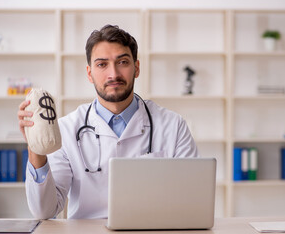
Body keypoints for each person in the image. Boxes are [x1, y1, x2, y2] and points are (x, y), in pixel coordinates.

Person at [18, 25, 198, 219]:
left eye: (122, 62)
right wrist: (35, 149)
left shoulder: (173, 126)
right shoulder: (67, 129)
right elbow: (44, 211)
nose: (113, 74)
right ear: (89, 73)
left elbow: (193, 200)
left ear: (136, 68)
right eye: (102, 64)